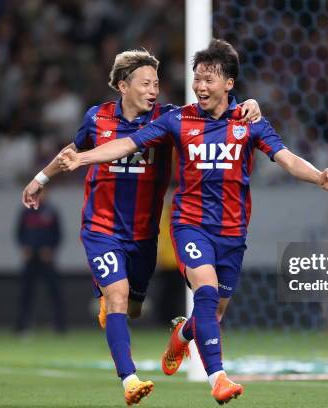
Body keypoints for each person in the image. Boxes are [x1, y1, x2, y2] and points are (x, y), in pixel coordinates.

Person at [58, 39, 328, 404]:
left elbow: (286, 158)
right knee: (204, 292)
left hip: (232, 232)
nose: (201, 86)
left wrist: (319, 177)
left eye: (210, 79)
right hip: (190, 225)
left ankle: (182, 336)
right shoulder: (178, 119)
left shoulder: (249, 122)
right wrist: (84, 159)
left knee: (214, 311)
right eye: (197, 79)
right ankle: (218, 379)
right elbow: (128, 144)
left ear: (229, 84)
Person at [21, 49, 262, 406]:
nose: (154, 90)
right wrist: (41, 177)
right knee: (116, 296)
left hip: (144, 234)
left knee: (132, 307)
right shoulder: (98, 119)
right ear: (123, 85)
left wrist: (248, 102)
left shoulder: (167, 120)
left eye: (157, 84)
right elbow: (73, 150)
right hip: (102, 228)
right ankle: (129, 380)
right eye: (146, 83)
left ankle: (175, 331)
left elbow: (213, 114)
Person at [15, 189, 65, 334]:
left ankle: (59, 326)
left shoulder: (51, 211)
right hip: (30, 258)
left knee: (54, 292)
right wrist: (25, 248)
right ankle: (22, 325)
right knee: (26, 293)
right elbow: (19, 232)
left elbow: (58, 234)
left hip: (46, 258)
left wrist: (50, 249)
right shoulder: (26, 211)